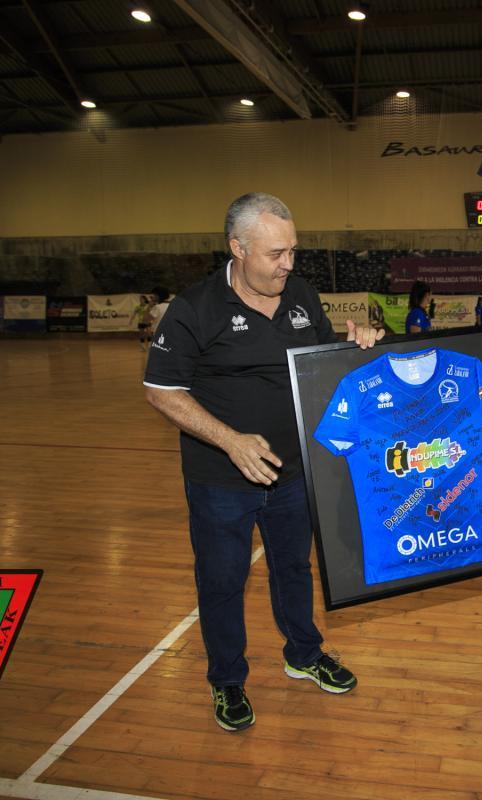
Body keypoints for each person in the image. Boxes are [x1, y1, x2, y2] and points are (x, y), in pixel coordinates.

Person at [143, 192, 383, 734]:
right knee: (223, 580)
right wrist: (230, 441)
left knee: (294, 568)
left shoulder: (301, 295)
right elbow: (160, 390)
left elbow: (323, 366)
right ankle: (227, 679)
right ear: (238, 248)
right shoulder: (195, 308)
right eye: (276, 254)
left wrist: (358, 346)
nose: (288, 264)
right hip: (220, 481)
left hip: (293, 473)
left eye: (293, 251)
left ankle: (304, 653)